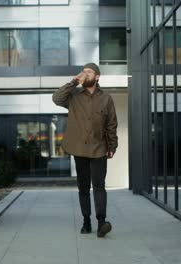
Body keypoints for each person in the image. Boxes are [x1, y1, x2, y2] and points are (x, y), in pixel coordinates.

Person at [52, 63, 118, 238]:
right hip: (79, 149)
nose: (85, 73)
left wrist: (112, 146)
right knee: (83, 188)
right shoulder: (73, 96)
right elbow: (56, 98)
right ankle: (86, 221)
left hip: (99, 149)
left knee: (99, 187)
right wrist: (73, 82)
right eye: (84, 71)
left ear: (97, 77)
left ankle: (101, 222)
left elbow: (111, 125)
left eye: (89, 71)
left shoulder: (107, 99)